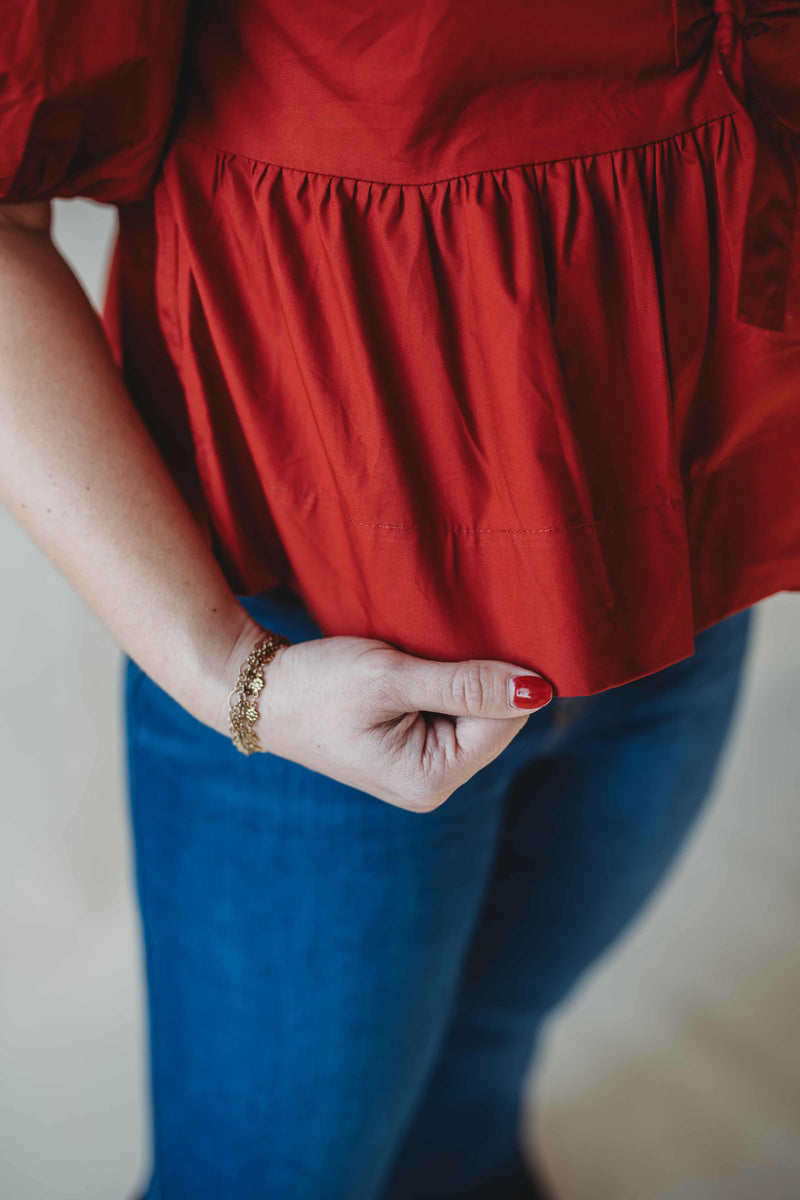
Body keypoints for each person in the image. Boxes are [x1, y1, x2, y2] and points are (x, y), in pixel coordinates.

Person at [0, 1, 797, 1198]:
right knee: (268, 1179)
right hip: (316, 651)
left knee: (472, 1096)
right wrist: (235, 676)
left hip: (683, 570)